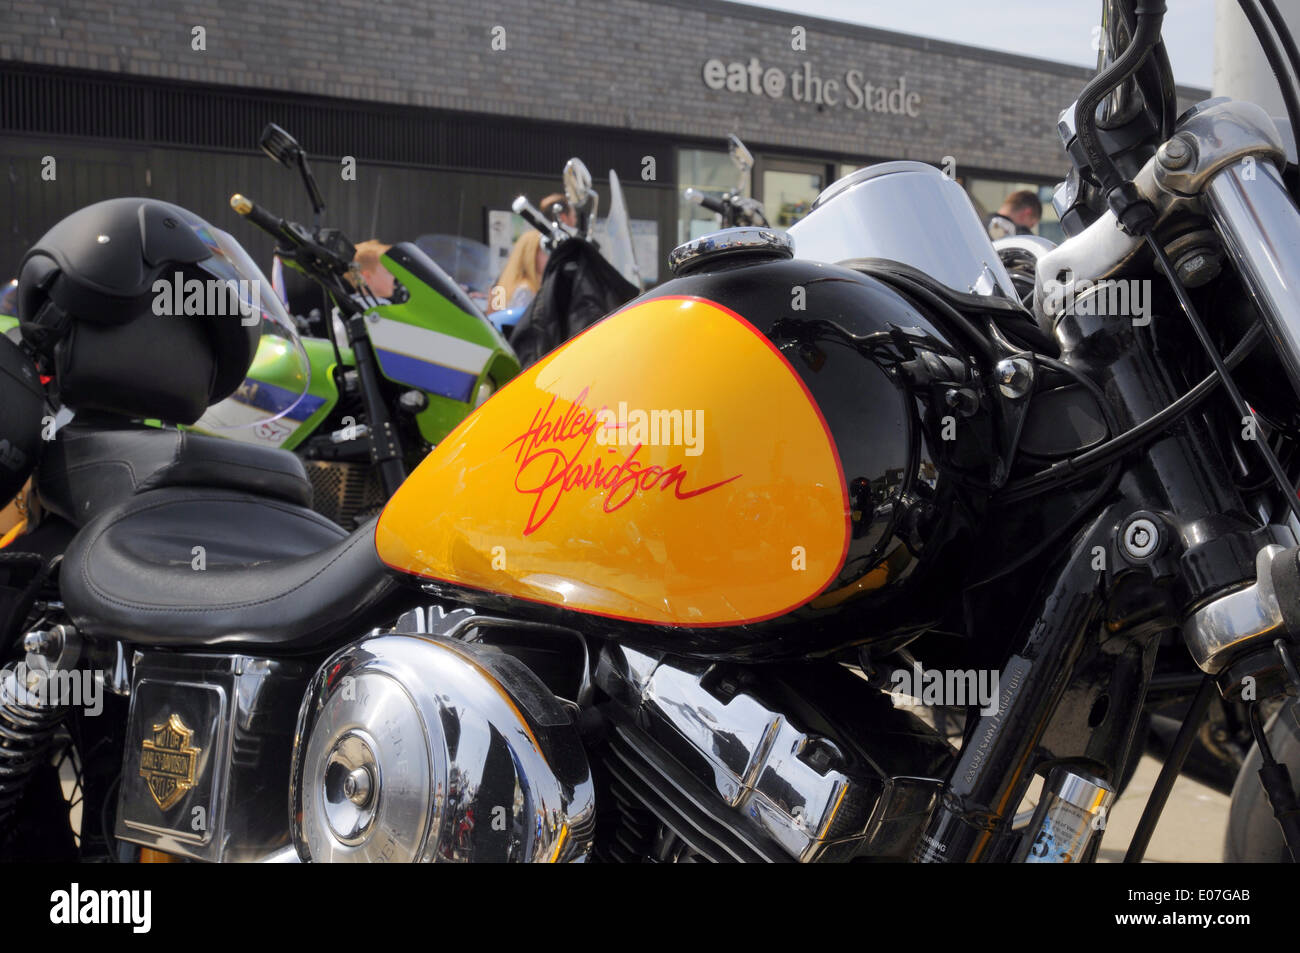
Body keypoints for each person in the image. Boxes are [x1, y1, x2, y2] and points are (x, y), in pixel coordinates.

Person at [489, 229, 548, 314]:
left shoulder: (509, 283)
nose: (549, 257)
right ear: (531, 255)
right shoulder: (525, 291)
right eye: (544, 252)